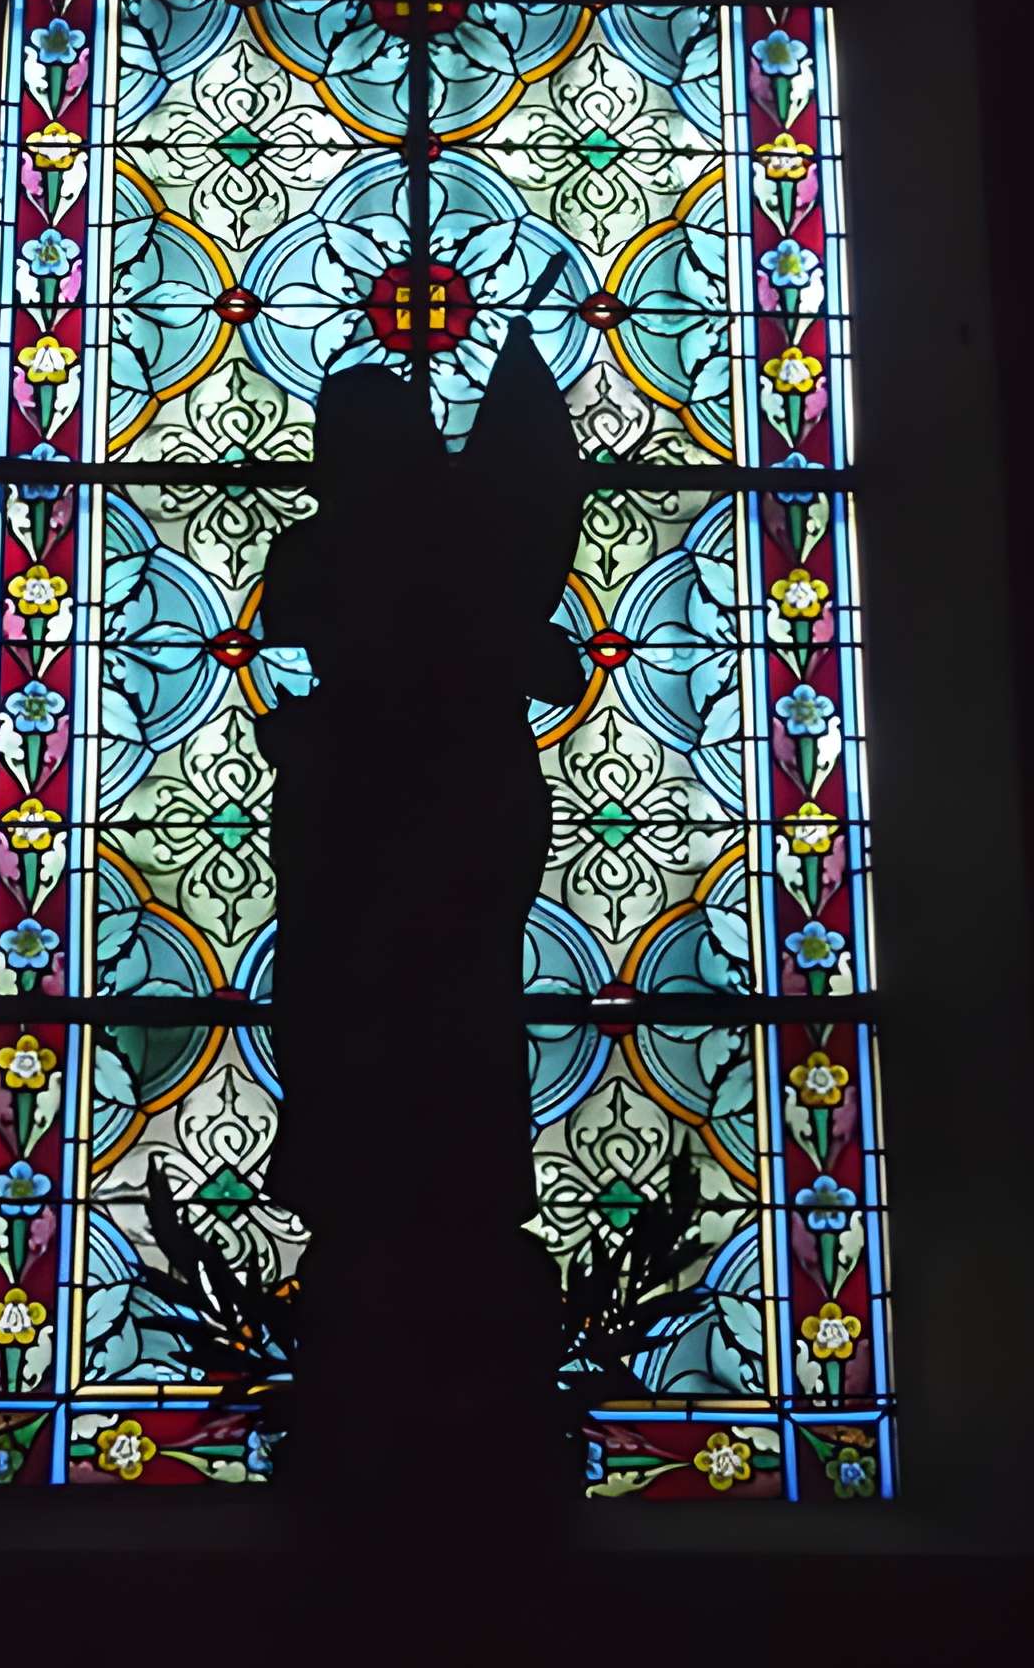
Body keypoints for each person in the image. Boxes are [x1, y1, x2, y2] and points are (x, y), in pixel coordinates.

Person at [257, 324, 586, 1539]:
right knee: (340, 1008)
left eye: (357, 437)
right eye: (331, 441)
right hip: (353, 821)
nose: (337, 459)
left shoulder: (455, 549)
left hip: (453, 822)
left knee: (456, 1007)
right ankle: (361, 1205)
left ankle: (451, 1215)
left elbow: (546, 667)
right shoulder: (323, 551)